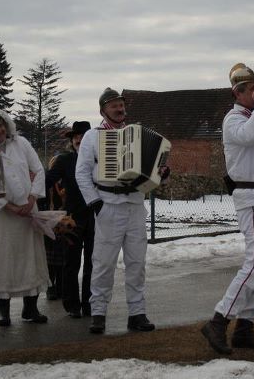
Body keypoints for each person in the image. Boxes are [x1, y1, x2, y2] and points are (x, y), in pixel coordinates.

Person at [201, 63, 254, 354]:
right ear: (239, 93)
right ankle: (218, 320)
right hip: (253, 199)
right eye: (253, 88)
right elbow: (249, 136)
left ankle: (246, 326)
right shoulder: (234, 119)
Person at [76, 88, 168, 334]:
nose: (119, 108)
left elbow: (149, 172)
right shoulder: (92, 137)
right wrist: (94, 202)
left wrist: (160, 174)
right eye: (114, 105)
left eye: (121, 104)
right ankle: (98, 312)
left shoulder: (135, 134)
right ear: (103, 110)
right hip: (108, 205)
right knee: (103, 263)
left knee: (137, 263)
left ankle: (137, 313)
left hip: (135, 205)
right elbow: (82, 173)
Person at [0, 109, 49, 326]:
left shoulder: (21, 144)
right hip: (5, 216)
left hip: (29, 211)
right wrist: (11, 207)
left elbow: (38, 170)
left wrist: (32, 198)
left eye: (1, 126)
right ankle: (3, 311)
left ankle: (31, 308)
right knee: (3, 259)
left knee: (30, 258)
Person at [47, 120, 94, 318]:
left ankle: (90, 303)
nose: (78, 140)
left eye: (83, 136)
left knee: (93, 262)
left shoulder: (98, 159)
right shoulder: (64, 160)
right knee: (71, 262)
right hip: (72, 218)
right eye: (75, 136)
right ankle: (72, 304)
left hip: (95, 215)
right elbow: (48, 180)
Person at [43, 155, 66, 301]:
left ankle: (61, 287)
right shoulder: (47, 184)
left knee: (63, 259)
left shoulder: (66, 183)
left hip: (64, 224)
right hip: (49, 224)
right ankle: (50, 287)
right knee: (50, 260)